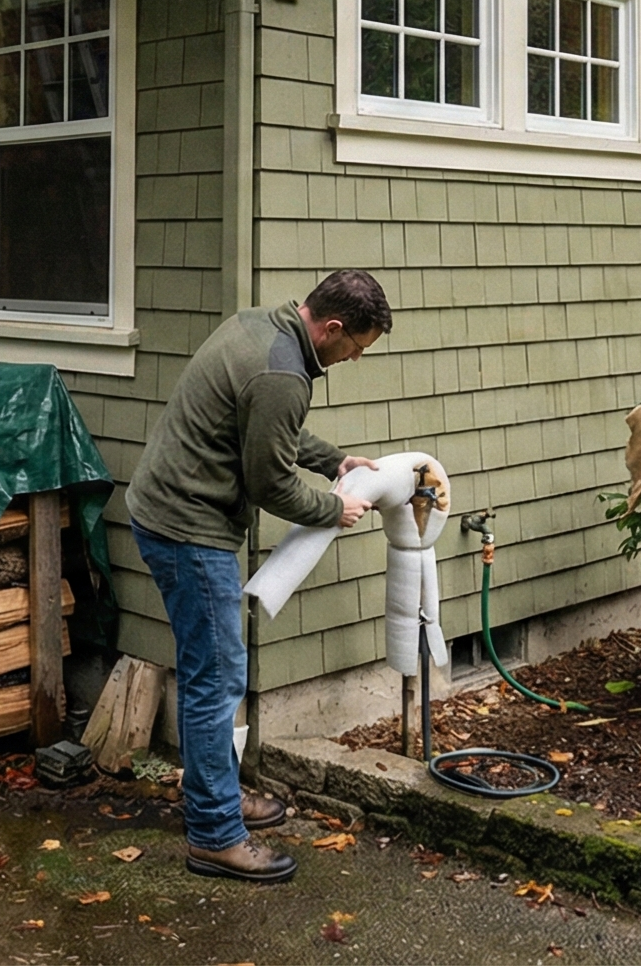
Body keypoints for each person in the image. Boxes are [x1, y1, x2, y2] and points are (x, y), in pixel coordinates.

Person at [123, 270, 392, 883]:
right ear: (331, 328)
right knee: (216, 678)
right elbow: (270, 481)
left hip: (166, 510)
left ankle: (213, 793)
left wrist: (335, 461)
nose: (352, 359)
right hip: (189, 529)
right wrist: (335, 507)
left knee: (209, 673)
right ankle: (215, 833)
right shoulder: (282, 372)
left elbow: (270, 425)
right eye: (354, 347)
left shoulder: (260, 326)